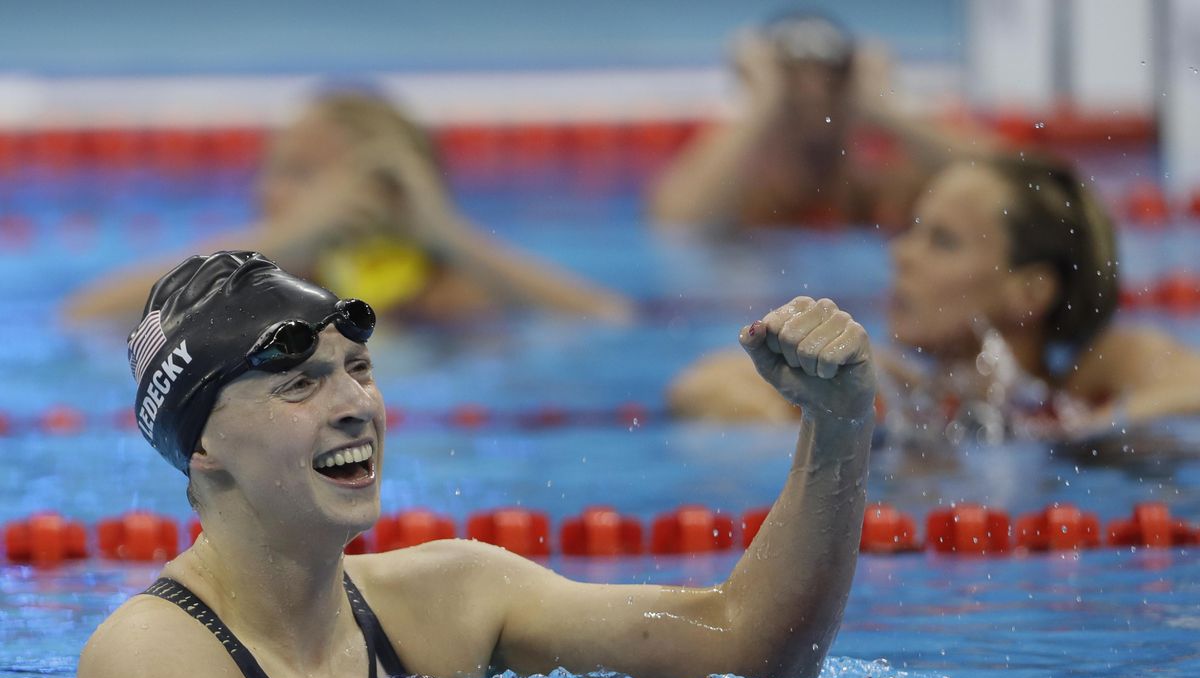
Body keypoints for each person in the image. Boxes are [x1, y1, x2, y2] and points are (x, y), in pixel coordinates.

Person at [72, 251, 876, 678]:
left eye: (358, 370)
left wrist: (837, 428)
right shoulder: (148, 657)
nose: (355, 405)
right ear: (203, 442)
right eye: (301, 385)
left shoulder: (451, 595)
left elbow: (752, 646)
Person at [669, 154, 1200, 433]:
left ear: (1028, 292)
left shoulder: (1096, 379)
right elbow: (702, 388)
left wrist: (1077, 430)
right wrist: (840, 424)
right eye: (913, 229)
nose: (901, 254)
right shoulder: (901, 398)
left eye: (942, 241)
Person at [64, 91, 631, 326]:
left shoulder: (444, 293)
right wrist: (289, 236)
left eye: (309, 176)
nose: (323, 203)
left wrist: (448, 235)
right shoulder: (246, 291)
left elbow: (606, 320)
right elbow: (89, 316)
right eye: (287, 171)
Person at [650, 12, 990, 233]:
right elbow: (673, 222)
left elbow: (1011, 180)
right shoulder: (745, 192)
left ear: (852, 88)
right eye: (793, 79)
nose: (814, 92)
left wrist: (885, 109)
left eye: (831, 79)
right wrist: (762, 103)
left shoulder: (880, 187)